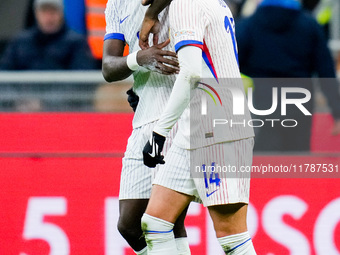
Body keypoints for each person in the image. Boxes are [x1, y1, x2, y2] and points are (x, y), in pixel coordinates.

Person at [139, 0, 256, 254]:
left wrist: (160, 132)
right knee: (155, 223)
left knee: (231, 237)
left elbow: (191, 72)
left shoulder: (186, 4)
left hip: (218, 128)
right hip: (198, 126)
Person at [101, 1, 191, 255]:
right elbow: (109, 67)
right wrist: (139, 59)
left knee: (162, 221)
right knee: (130, 226)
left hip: (177, 115)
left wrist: (151, 13)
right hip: (143, 115)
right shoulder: (116, 5)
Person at [235, 0, 340, 151]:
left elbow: (233, 59)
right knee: (297, 160)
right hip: (300, 97)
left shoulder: (248, 25)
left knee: (265, 160)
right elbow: (325, 70)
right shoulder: (310, 25)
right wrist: (336, 112)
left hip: (263, 98)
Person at [0, 0, 97, 70]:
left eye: (53, 12)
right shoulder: (20, 42)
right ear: (36, 13)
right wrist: (20, 97)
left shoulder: (77, 43)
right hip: (24, 97)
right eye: (44, 11)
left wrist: (47, 99)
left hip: (63, 98)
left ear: (62, 13)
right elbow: (5, 73)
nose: (48, 18)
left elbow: (81, 81)